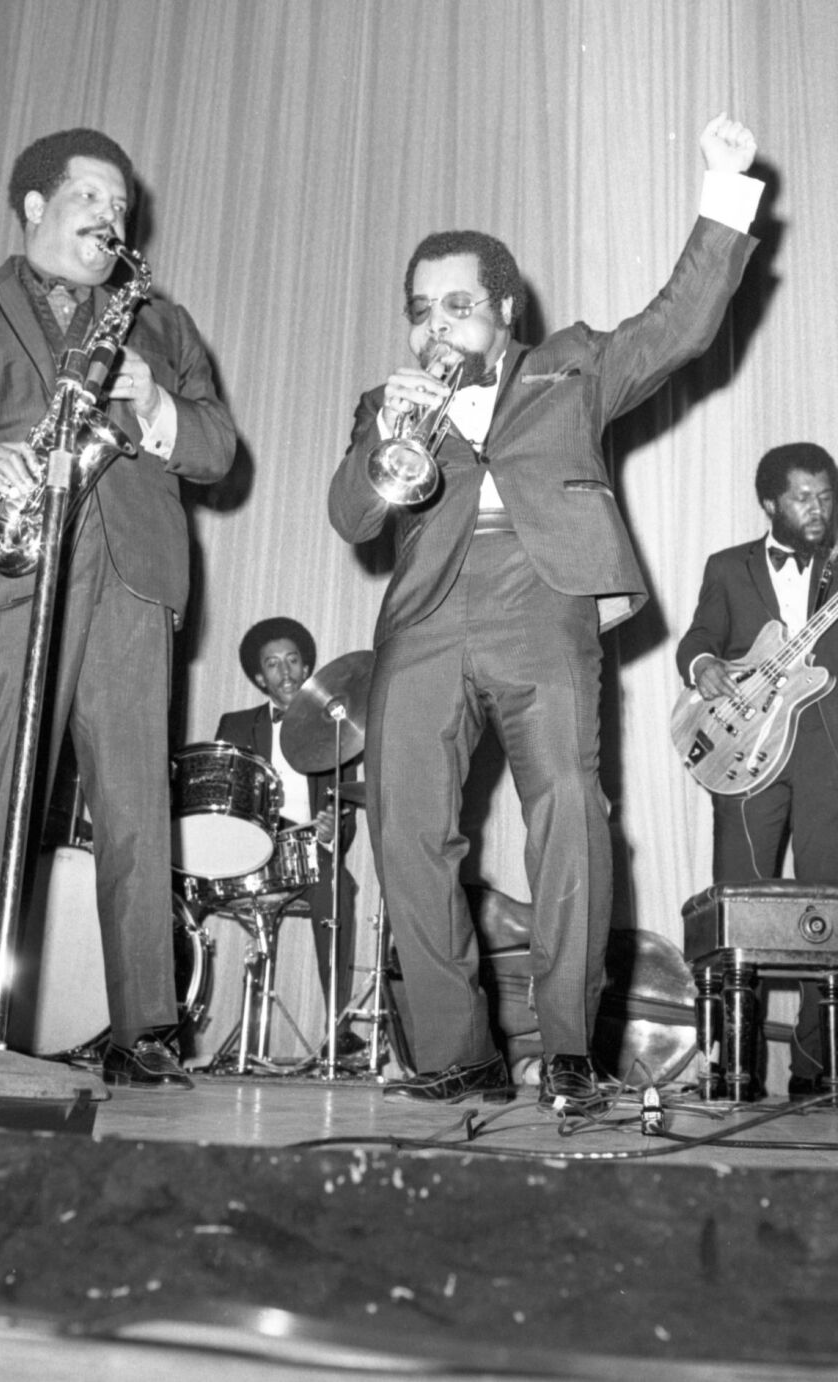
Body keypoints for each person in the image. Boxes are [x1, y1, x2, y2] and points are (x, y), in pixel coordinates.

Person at [329, 113, 762, 1109]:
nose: (437, 324)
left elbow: (677, 326)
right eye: (420, 308)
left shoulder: (568, 363)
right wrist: (383, 433)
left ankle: (568, 1045)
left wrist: (724, 190)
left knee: (567, 806)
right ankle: (454, 1048)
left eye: (458, 305)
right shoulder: (386, 400)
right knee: (404, 829)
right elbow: (355, 516)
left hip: (542, 598)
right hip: (426, 618)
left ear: (504, 308)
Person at [0, 128, 236, 1087]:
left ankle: (145, 1027)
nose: (112, 218)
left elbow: (216, 450)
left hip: (129, 568)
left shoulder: (159, 321)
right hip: (9, 561)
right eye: (91, 198)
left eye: (122, 207)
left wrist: (157, 405)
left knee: (133, 805)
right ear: (34, 206)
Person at [676, 442, 838, 1096]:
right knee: (739, 910)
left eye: (826, 494)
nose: (819, 508)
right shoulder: (728, 567)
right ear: (769, 503)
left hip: (829, 750)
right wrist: (704, 666)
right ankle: (732, 1069)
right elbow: (698, 638)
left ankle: (812, 1072)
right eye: (804, 496)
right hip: (748, 751)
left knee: (824, 917)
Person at [216, 617, 362, 1058]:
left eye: (293, 661)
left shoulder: (338, 730)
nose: (286, 673)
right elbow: (221, 799)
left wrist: (333, 830)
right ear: (260, 677)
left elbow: (345, 804)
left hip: (306, 852)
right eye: (273, 665)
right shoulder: (236, 725)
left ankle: (339, 1027)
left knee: (338, 886)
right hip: (246, 851)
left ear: (307, 668)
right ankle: (159, 1029)